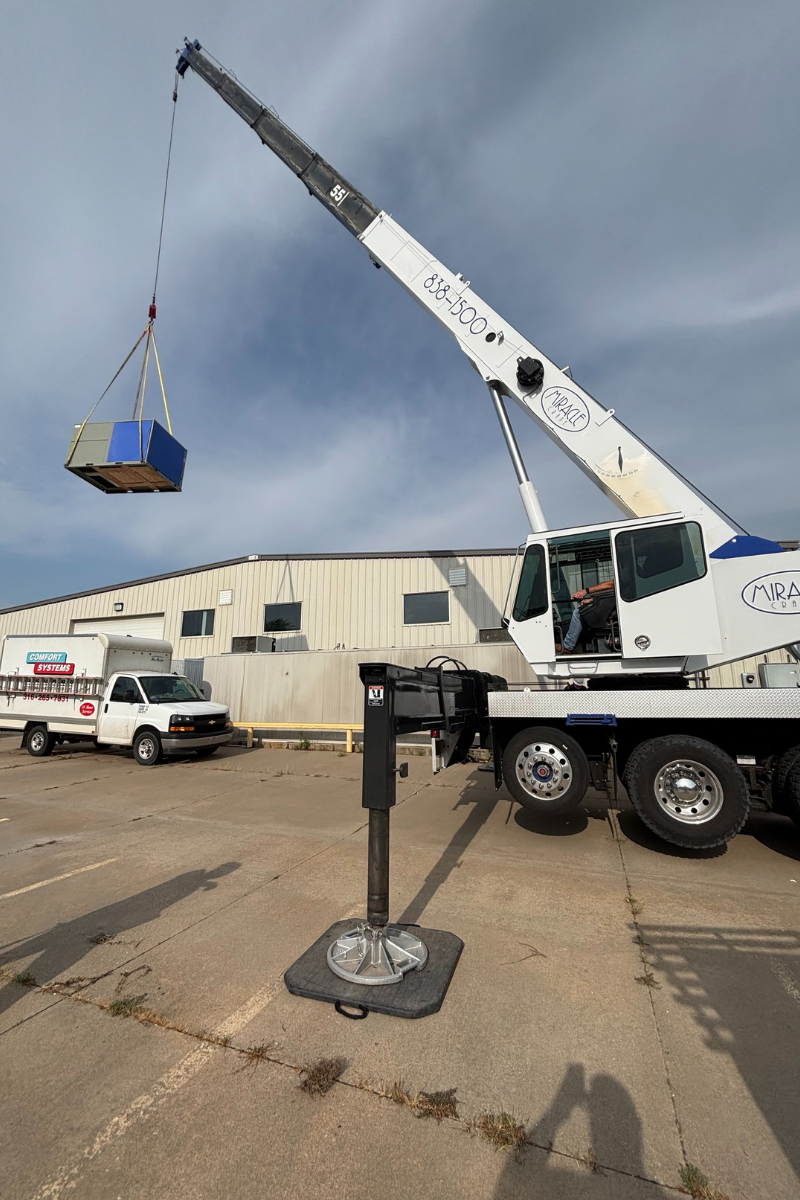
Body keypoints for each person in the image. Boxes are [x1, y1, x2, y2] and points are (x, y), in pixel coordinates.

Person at [560, 578, 616, 652]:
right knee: (585, 613)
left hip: (613, 612)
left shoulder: (625, 575)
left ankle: (567, 646)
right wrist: (592, 600)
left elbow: (612, 584)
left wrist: (586, 591)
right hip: (611, 609)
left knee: (578, 613)